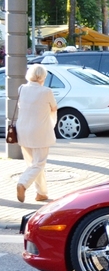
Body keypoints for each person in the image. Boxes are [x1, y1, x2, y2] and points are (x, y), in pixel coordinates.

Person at [15, 64, 58, 203]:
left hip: (23, 130)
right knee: (39, 163)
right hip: (39, 131)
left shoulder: (21, 89)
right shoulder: (46, 91)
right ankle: (23, 183)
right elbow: (54, 107)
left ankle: (41, 193)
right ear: (43, 77)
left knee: (32, 164)